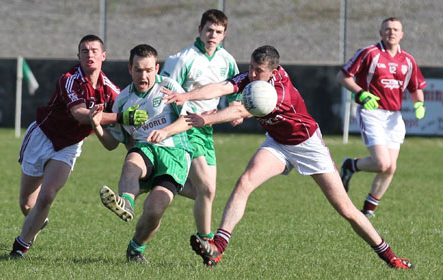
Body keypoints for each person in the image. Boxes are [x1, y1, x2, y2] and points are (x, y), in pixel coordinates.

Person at [166, 45, 414, 269]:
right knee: (245, 182)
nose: (252, 74)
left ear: (273, 71)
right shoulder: (254, 78)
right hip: (278, 143)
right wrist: (185, 96)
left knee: (345, 209)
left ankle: (390, 256)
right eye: (251, 67)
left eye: (258, 70)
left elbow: (240, 108)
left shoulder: (276, 93)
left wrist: (206, 119)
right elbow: (223, 86)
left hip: (307, 146)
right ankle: (218, 246)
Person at [9, 35, 148, 258]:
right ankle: (37, 219)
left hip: (69, 146)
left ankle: (20, 248)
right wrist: (122, 116)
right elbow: (80, 114)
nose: (89, 54)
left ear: (104, 56)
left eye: (94, 50)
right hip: (42, 137)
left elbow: (123, 124)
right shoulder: (69, 79)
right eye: (85, 51)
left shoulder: (112, 91)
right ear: (78, 56)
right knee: (27, 204)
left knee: (47, 196)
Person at [91, 44, 192, 263]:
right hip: (145, 150)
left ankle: (136, 249)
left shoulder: (169, 87)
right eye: (138, 70)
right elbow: (111, 143)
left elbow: (188, 120)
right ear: (130, 69)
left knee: (154, 210)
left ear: (157, 68)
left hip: (174, 153)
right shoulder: (123, 100)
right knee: (132, 160)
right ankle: (126, 202)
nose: (143, 75)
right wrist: (96, 125)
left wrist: (165, 131)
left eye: (148, 70)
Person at [160, 9, 241, 241]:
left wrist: (236, 112)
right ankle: (206, 240)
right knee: (206, 188)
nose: (212, 35)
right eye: (208, 30)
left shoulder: (227, 61)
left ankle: (156, 180)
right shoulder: (183, 59)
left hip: (206, 128)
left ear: (224, 34)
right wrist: (187, 112)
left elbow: (235, 89)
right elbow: (166, 93)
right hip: (185, 125)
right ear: (199, 30)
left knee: (205, 191)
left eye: (218, 32)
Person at [336, 17, 426, 218]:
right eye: (387, 29)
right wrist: (361, 93)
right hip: (372, 112)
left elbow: (416, 87)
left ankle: (368, 210)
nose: (391, 32)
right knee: (382, 163)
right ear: (381, 32)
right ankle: (350, 165)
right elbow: (342, 76)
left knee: (390, 167)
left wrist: (419, 103)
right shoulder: (369, 53)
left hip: (394, 117)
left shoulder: (408, 60)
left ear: (401, 34)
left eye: (395, 29)